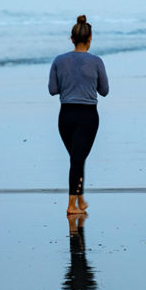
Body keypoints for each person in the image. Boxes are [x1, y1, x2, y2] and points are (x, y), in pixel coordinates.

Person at [48, 14, 109, 215]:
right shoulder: (96, 61)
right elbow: (104, 90)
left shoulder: (59, 61)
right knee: (77, 159)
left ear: (72, 39)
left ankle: (80, 201)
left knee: (76, 158)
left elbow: (52, 90)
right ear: (90, 39)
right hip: (88, 116)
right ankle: (70, 206)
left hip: (65, 116)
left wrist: (70, 82)